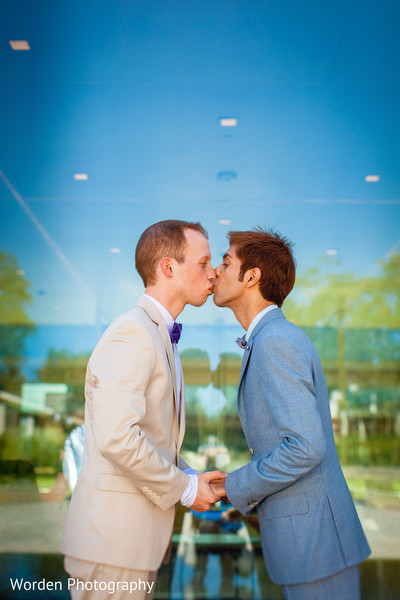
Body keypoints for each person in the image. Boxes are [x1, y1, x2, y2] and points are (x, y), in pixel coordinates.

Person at [60, 220, 226, 600]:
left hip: (127, 548)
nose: (213, 272)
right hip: (111, 548)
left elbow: (150, 440)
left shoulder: (155, 334)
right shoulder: (132, 332)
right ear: (168, 267)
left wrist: (192, 476)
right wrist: (185, 489)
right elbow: (118, 438)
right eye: (202, 263)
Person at [210, 227, 371, 600]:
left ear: (252, 276)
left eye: (225, 262)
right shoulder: (270, 339)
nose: (215, 271)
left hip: (316, 546)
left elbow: (304, 447)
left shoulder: (275, 342)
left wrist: (233, 486)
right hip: (311, 545)